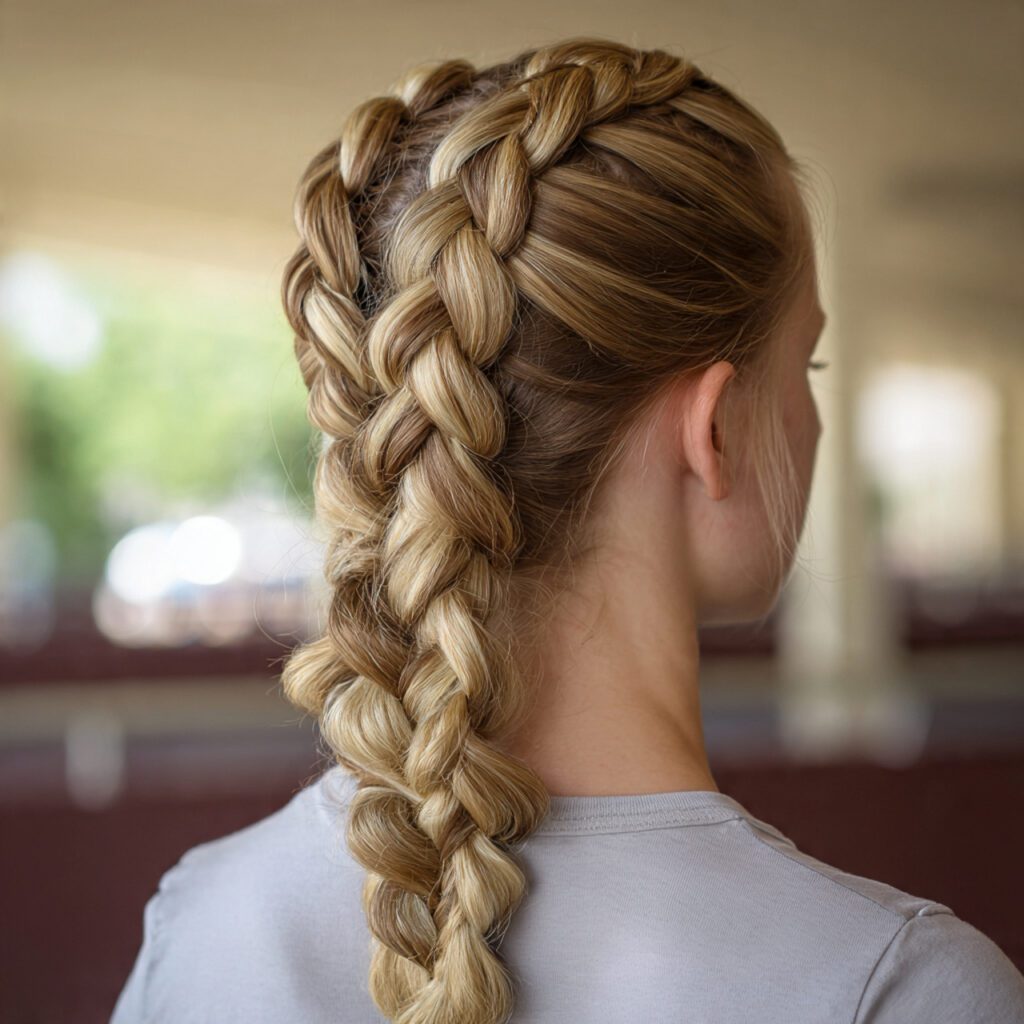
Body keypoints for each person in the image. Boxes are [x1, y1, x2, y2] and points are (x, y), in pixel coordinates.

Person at [110, 35, 1024, 1024]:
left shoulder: (205, 922)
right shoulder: (899, 988)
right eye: (804, 366)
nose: (810, 419)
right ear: (711, 429)